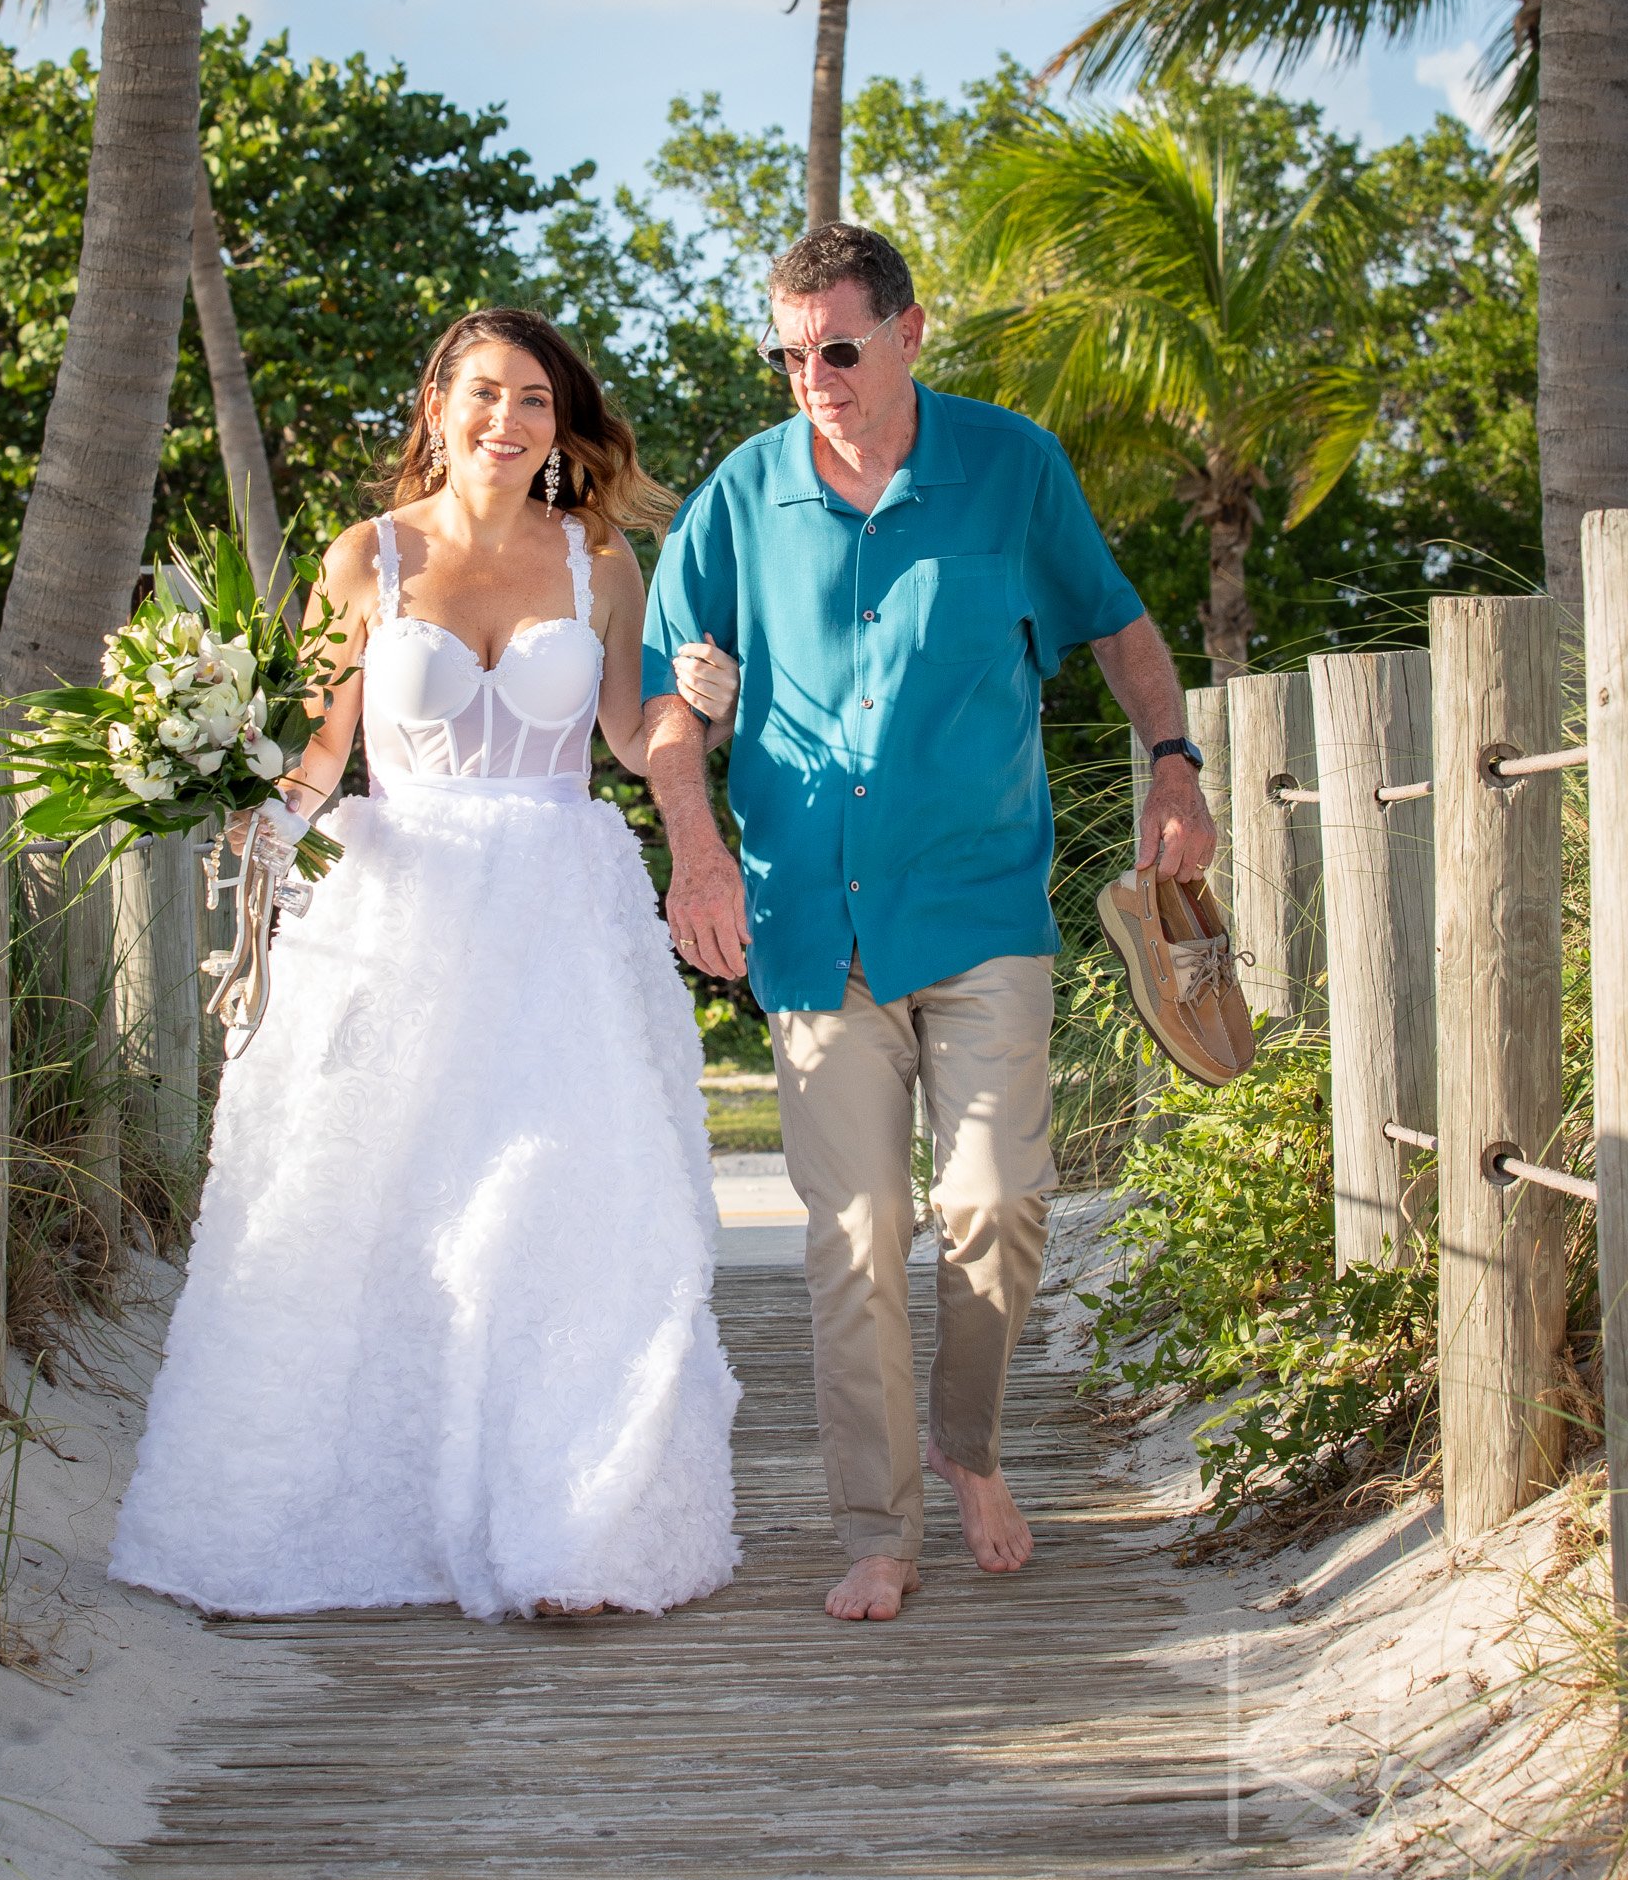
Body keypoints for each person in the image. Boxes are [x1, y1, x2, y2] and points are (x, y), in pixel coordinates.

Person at [110, 309, 741, 1623]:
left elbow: (630, 731)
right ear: (437, 407)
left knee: (561, 1216)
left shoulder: (600, 559)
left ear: (559, 425)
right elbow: (325, 750)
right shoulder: (368, 559)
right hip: (400, 918)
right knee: (371, 1215)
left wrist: (701, 708)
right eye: (484, 396)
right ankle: (348, 1518)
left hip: (562, 917)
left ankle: (573, 1536)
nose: (506, 422)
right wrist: (253, 813)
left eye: (533, 401)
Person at [645, 223, 1216, 1624]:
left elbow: (1120, 631)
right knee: (852, 1238)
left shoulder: (1011, 466)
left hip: (980, 909)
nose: (813, 378)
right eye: (788, 355)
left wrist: (1174, 761)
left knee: (995, 1202)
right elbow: (665, 710)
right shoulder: (738, 497)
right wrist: (699, 849)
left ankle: (968, 1445)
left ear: (908, 333)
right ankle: (877, 1530)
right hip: (807, 928)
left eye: (837, 348)